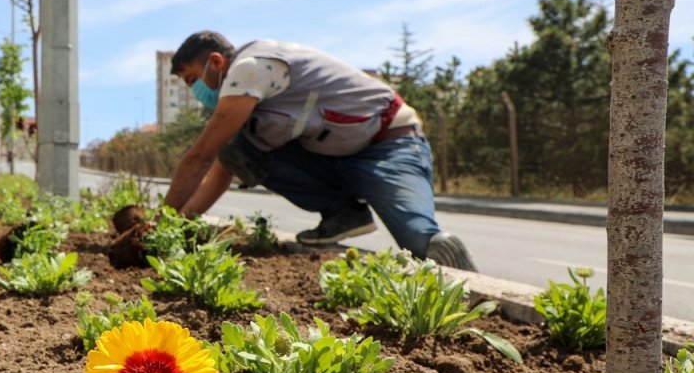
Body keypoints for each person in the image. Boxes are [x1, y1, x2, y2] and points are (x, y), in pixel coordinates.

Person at [162, 31, 478, 271]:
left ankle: (468, 292)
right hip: (335, 157)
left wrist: (165, 223)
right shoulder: (248, 102)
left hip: (388, 145)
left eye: (193, 79)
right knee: (238, 148)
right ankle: (343, 212)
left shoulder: (251, 68)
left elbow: (200, 155)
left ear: (216, 62)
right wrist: (181, 224)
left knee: (420, 242)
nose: (195, 91)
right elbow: (222, 169)